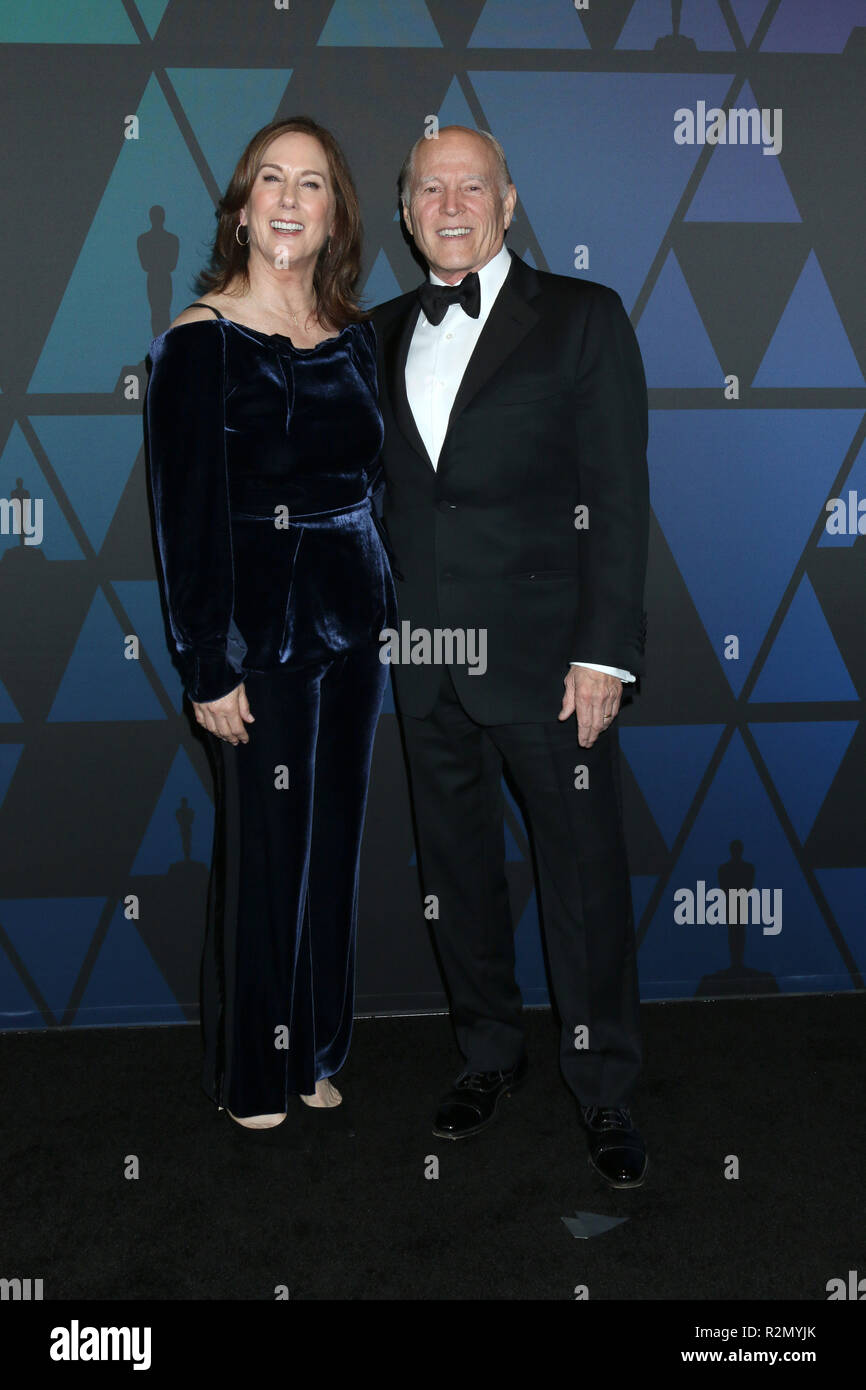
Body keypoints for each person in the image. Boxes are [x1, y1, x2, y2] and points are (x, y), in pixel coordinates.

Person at [372, 125, 650, 1187]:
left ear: (508, 199)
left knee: (580, 881)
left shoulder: (581, 318)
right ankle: (486, 1055)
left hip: (549, 662)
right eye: (429, 187)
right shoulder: (380, 332)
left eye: (470, 185)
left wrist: (604, 653)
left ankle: (606, 1087)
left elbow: (618, 500)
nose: (450, 202)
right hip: (425, 656)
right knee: (457, 875)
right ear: (405, 211)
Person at [145, 117, 395, 1131]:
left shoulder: (354, 332)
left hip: (357, 623)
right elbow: (185, 517)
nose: (290, 200)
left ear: (334, 214)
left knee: (331, 847)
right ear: (242, 207)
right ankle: (255, 1071)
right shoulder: (197, 342)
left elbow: (374, 483)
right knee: (264, 855)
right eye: (271, 181)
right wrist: (209, 661)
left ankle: (313, 1047)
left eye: (312, 184)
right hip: (260, 635)